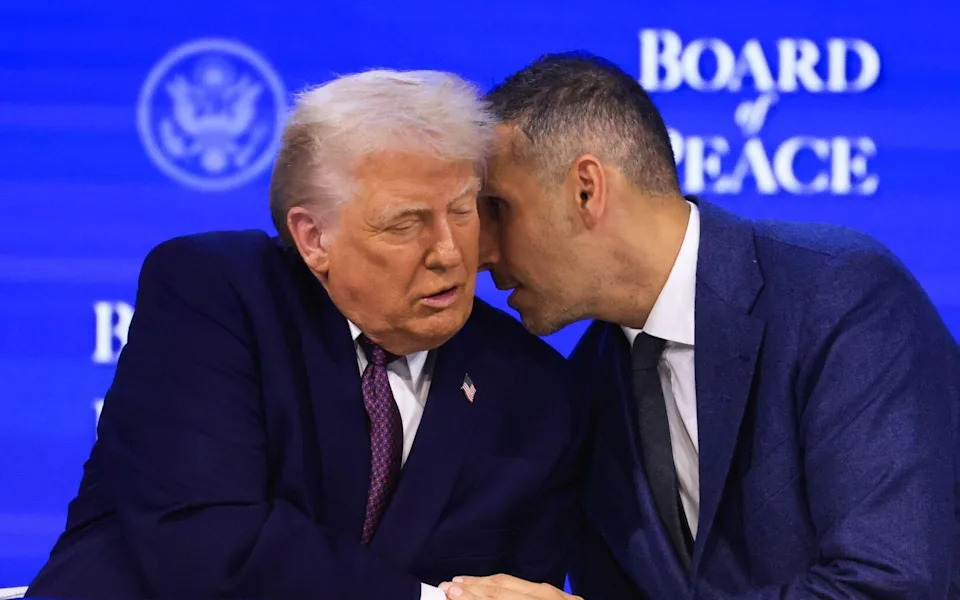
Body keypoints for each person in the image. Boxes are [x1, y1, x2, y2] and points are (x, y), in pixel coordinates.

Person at [27, 69, 584, 600]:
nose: (447, 252)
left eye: (462, 211)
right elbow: (210, 543)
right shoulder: (215, 296)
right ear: (314, 237)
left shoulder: (534, 393)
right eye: (405, 223)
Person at [441, 53, 960, 599]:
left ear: (586, 190)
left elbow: (896, 587)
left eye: (497, 209)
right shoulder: (584, 389)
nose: (479, 253)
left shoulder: (841, 296)